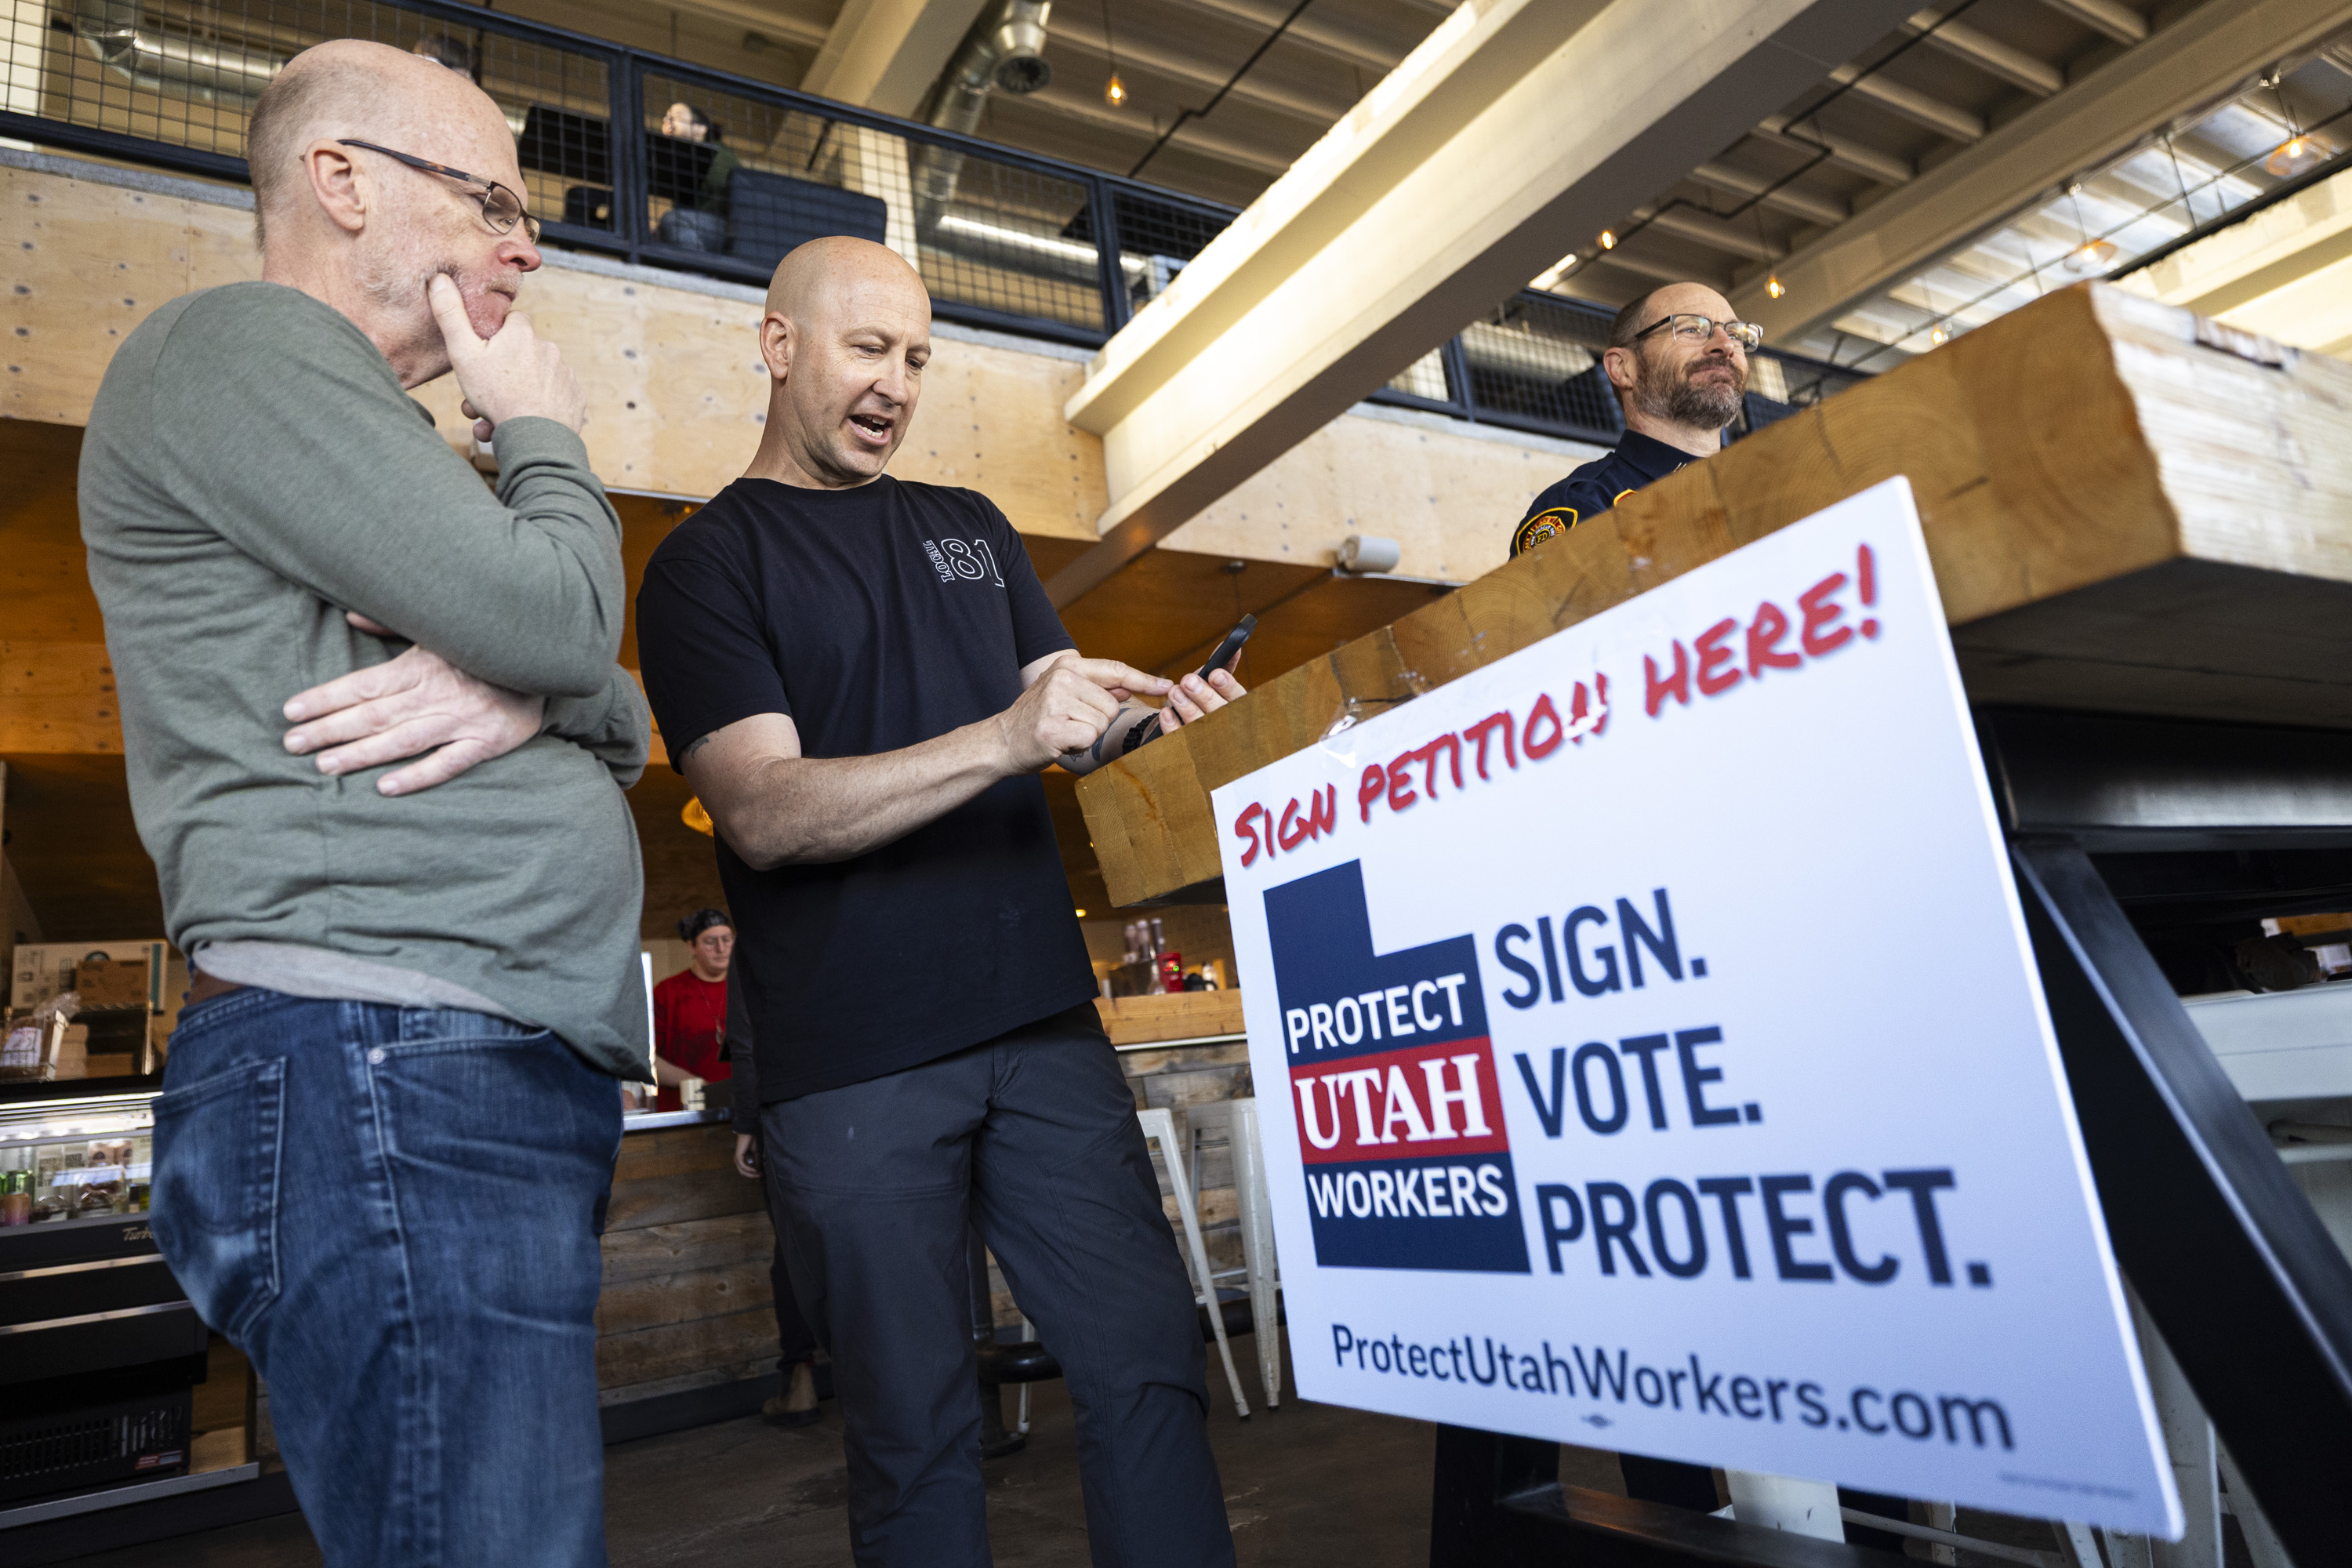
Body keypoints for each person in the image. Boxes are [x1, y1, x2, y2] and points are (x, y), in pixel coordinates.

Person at [79, 39, 648, 1566]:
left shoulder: (376, 438)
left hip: (436, 1067)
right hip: (384, 1061)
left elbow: (615, 706)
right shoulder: (242, 346)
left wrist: (536, 680)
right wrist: (546, 435)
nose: (525, 242)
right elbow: (560, 623)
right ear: (339, 181)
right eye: (484, 196)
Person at [634, 235, 1242, 1566]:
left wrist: (1165, 730)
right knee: (913, 1437)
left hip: (1041, 1029)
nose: (896, 385)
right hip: (853, 1073)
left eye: (917, 358)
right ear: (779, 345)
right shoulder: (703, 567)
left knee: (1147, 1366)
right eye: (867, 349)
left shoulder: (970, 527)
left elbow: (1071, 724)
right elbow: (767, 811)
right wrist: (1008, 737)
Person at [1509, 281, 1762, 557]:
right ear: (1622, 368)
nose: (1726, 346)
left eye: (1736, 334)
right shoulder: (1585, 505)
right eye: (1691, 328)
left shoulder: (1769, 486)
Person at [726, 980, 826, 1427]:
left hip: (786, 1111)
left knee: (793, 1250)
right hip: (858, 1103)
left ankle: (799, 1381)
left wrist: (746, 1123)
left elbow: (747, 1043)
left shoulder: (758, 924)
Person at [652, 906, 733, 1110]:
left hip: (739, 1109)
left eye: (727, 939)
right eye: (710, 941)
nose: (721, 948)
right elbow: (647, 1059)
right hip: (682, 1110)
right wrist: (697, 1085)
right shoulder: (667, 992)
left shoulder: (746, 989)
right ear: (691, 947)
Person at [654, 100, 740, 252]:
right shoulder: (679, 162)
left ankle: (697, 274)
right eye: (666, 118)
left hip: (726, 227)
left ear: (700, 129)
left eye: (677, 117)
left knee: (675, 221)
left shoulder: (719, 154)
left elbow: (725, 195)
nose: (668, 121)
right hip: (703, 225)